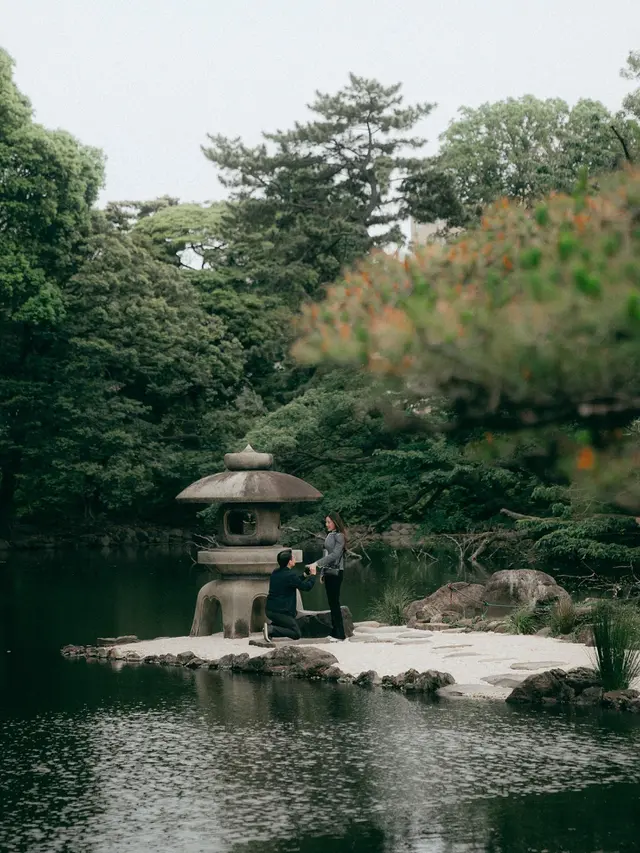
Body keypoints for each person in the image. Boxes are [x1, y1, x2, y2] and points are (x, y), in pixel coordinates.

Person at [306, 511, 347, 641]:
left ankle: (340, 633)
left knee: (335, 601)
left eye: (329, 522)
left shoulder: (340, 536)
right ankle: (335, 630)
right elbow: (326, 554)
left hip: (336, 572)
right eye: (326, 522)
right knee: (331, 601)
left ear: (335, 522)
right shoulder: (329, 535)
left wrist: (316, 564)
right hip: (328, 572)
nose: (327, 524)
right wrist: (322, 572)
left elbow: (335, 555)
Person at [263, 548, 316, 642]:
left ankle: (271, 627)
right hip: (280, 612)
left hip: (271, 610)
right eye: (293, 558)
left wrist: (304, 575)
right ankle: (272, 629)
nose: (295, 559)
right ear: (289, 562)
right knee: (296, 633)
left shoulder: (276, 572)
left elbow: (293, 582)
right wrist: (313, 576)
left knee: (291, 624)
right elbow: (306, 587)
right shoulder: (290, 575)